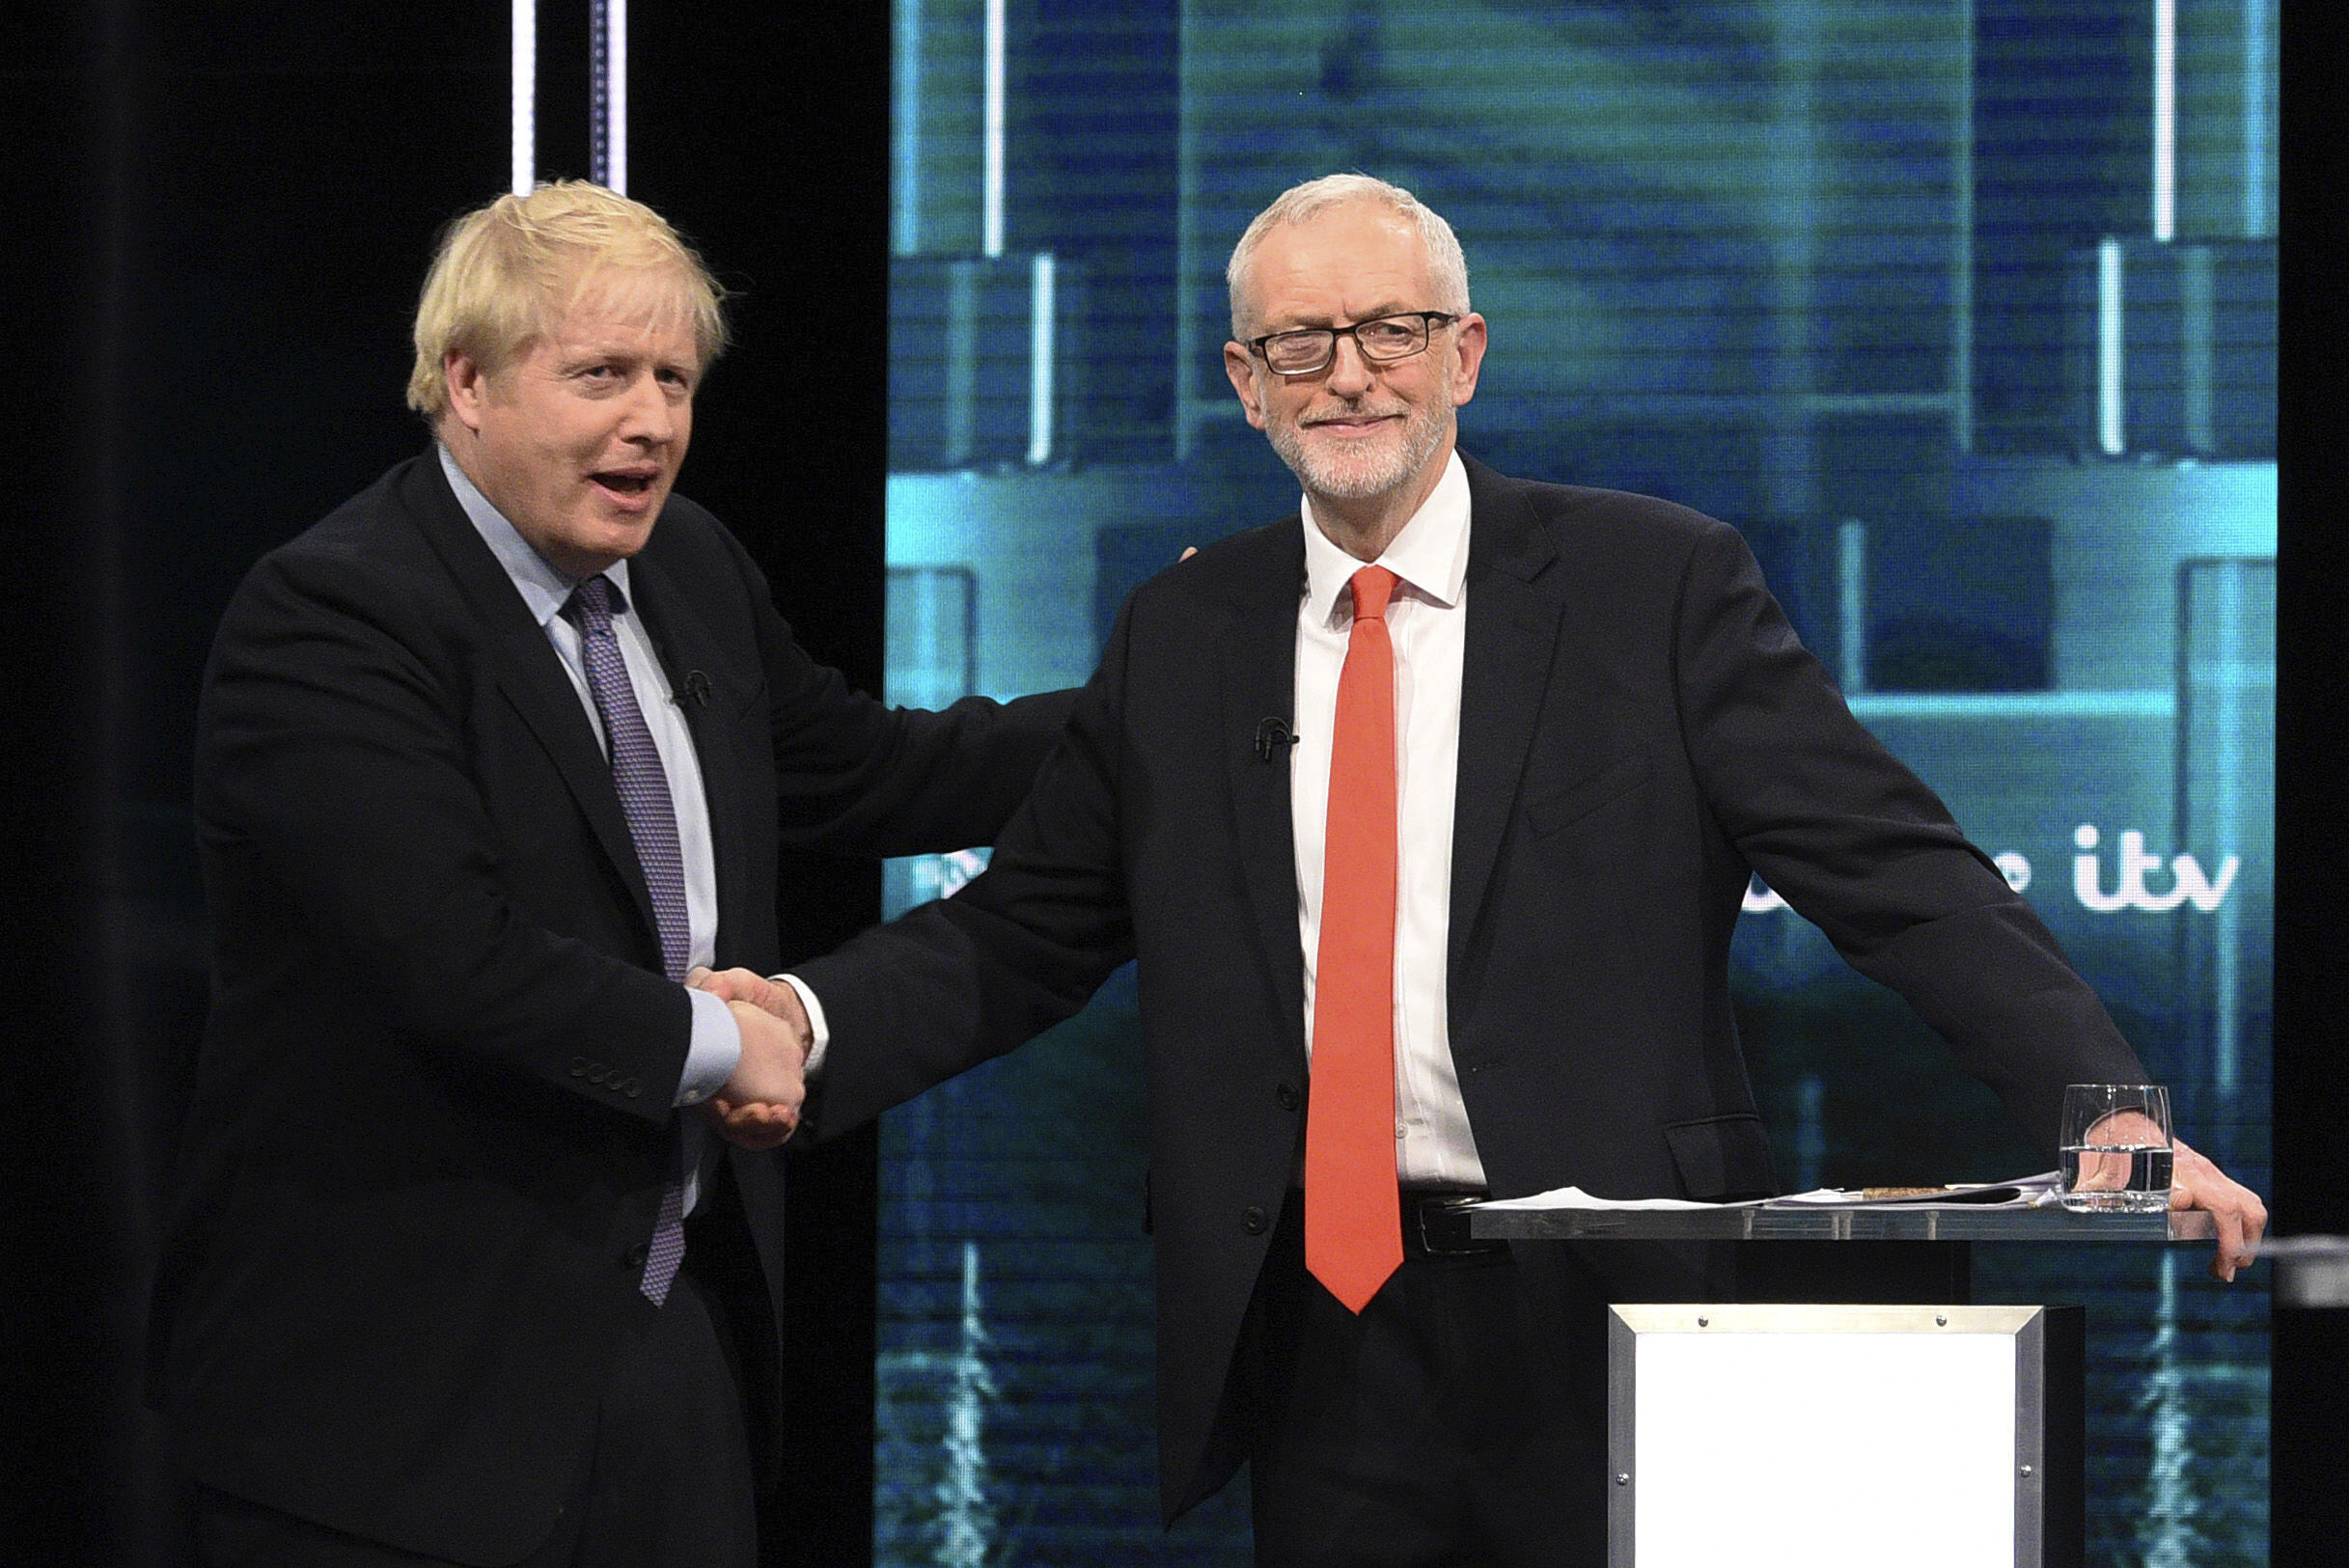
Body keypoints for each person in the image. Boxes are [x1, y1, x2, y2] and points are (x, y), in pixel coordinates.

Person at [705, 175, 2267, 1565]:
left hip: (1619, 1300)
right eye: (1300, 343)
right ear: (1245, 387)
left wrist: (2109, 1112)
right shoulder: (1184, 633)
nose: (1349, 372)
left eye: (1390, 329)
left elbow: (1895, 872)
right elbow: (1027, 926)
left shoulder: (1651, 581)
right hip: (1323, 1323)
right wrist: (805, 1023)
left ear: (1464, 355)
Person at [145, 181, 1073, 1567]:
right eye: (600, 375)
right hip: (397, 1402)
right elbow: (457, 961)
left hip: (666, 1354)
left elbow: (870, 772)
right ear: (466, 381)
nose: (649, 421)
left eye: (673, 379)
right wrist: (733, 1044)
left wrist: (1150, 703)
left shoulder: (687, 565)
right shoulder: (336, 614)